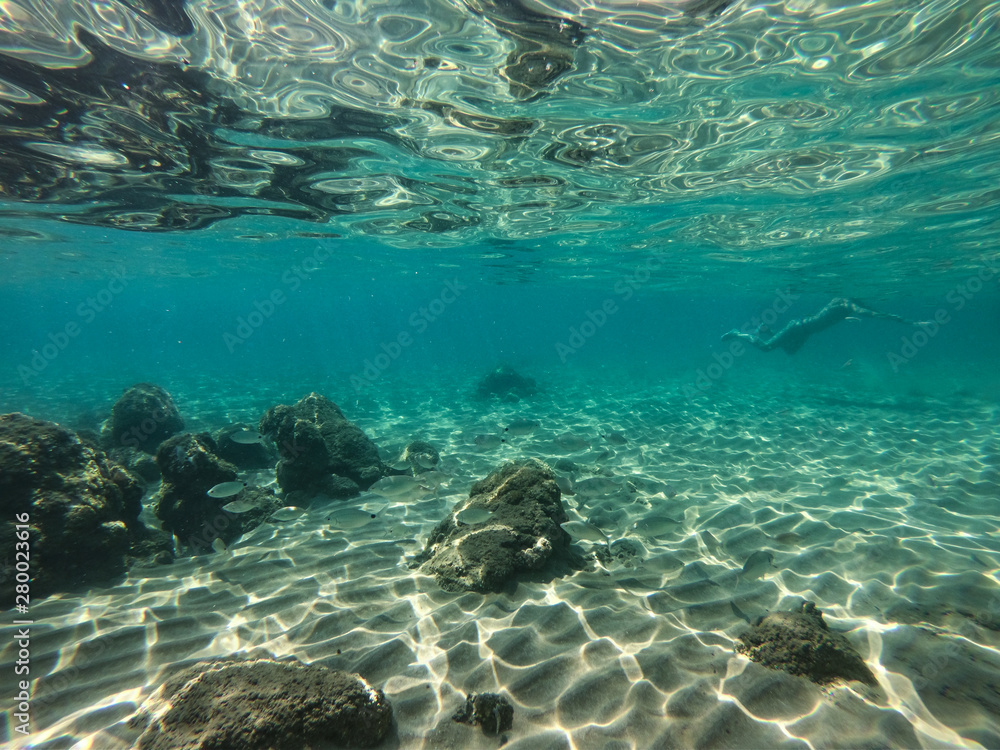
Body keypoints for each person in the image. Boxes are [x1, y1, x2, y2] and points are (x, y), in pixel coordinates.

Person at [721, 298, 927, 354]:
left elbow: (825, 316)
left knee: (790, 351)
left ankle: (768, 331)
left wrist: (845, 318)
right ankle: (738, 334)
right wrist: (910, 322)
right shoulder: (848, 305)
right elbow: (877, 315)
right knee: (766, 348)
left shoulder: (843, 307)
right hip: (799, 327)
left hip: (804, 330)